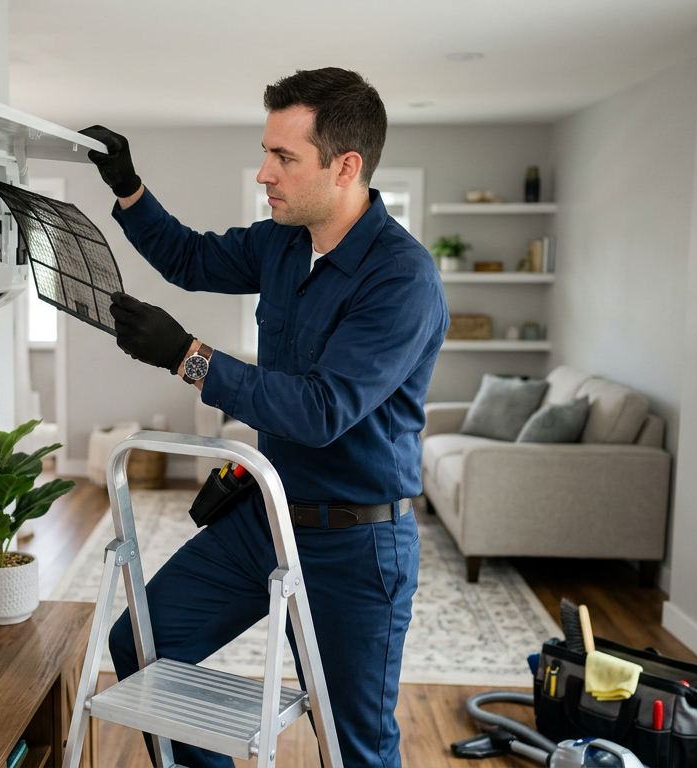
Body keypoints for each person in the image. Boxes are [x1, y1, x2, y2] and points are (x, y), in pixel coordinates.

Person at [79, 67, 448, 767]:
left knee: (355, 745)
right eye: (266, 152)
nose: (263, 174)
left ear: (346, 167)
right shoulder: (281, 241)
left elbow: (319, 411)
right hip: (269, 518)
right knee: (143, 644)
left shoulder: (402, 280)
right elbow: (188, 257)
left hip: (358, 546)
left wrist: (188, 357)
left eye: (283, 157)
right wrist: (128, 187)